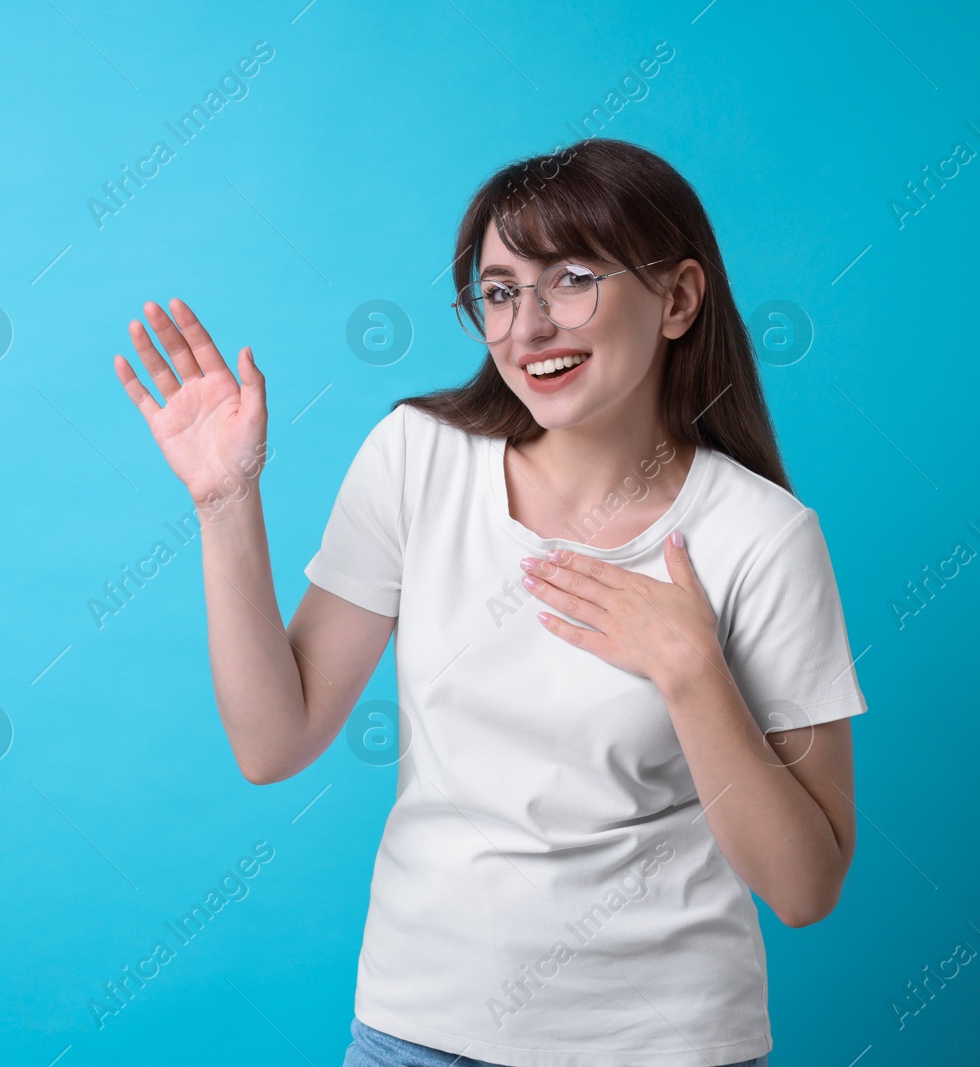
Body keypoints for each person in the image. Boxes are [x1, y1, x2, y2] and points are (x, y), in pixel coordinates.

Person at [111, 137, 865, 1067]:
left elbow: (804, 886)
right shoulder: (417, 457)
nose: (529, 326)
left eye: (572, 278)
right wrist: (226, 502)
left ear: (677, 299)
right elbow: (275, 742)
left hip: (667, 1046)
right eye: (501, 292)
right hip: (415, 1035)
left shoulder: (762, 534)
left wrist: (690, 669)